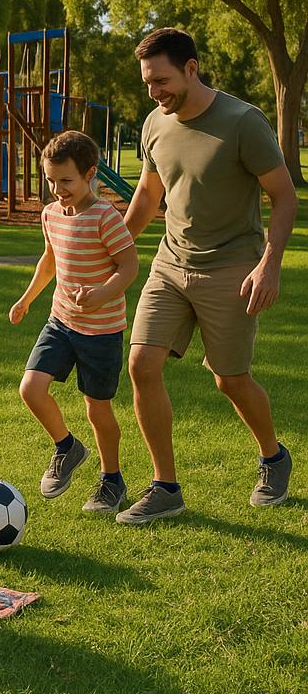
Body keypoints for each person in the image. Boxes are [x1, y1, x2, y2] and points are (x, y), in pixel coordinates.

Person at [117, 28, 296, 524]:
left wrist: (270, 264)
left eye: (162, 80)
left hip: (232, 267)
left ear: (191, 68)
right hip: (171, 264)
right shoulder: (155, 124)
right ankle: (165, 487)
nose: (155, 92)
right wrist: (112, 247)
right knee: (141, 365)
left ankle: (273, 457)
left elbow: (284, 196)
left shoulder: (243, 122)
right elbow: (149, 196)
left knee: (230, 380)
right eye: (148, 83)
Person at [9, 131, 139, 514]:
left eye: (65, 180)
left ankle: (111, 480)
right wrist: (26, 300)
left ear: (89, 174)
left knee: (97, 409)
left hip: (101, 330)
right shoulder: (50, 214)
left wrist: (102, 293)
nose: (57, 189)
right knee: (31, 388)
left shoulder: (105, 217)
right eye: (51, 180)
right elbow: (49, 260)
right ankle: (67, 447)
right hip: (60, 321)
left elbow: (129, 266)